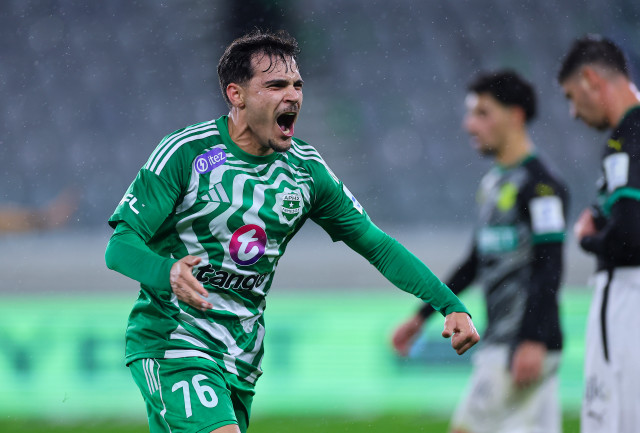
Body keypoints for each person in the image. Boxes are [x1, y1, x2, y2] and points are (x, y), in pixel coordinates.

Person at [104, 29, 480, 433]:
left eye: (297, 85)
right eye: (276, 85)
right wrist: (169, 272)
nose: (293, 96)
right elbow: (120, 246)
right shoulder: (186, 152)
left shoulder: (306, 172)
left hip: (241, 356)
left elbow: (378, 246)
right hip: (174, 341)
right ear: (236, 95)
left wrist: (450, 304)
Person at [392, 71, 569, 433]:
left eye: (482, 113)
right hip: (508, 341)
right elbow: (475, 263)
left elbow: (549, 266)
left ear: (515, 116)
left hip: (519, 343)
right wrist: (422, 315)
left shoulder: (541, 186)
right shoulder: (494, 183)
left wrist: (533, 338)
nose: (469, 124)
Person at [557, 34, 640, 433]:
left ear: (591, 79)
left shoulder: (630, 138)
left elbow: (630, 236)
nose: (573, 112)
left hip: (629, 301)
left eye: (571, 97)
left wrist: (588, 237)